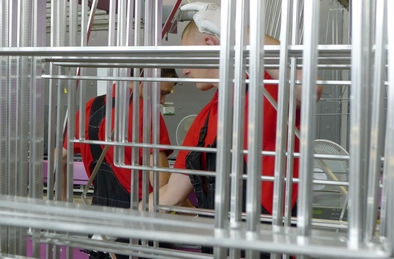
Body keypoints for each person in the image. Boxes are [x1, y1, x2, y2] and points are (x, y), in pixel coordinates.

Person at [145, 0, 322, 239]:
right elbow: (169, 195)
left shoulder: (267, 90)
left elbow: (310, 88)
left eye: (187, 58)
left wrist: (238, 31)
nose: (184, 71)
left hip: (272, 246)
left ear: (210, 43)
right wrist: (121, 226)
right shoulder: (204, 120)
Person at [62, 68, 178, 208]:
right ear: (143, 82)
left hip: (99, 208)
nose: (162, 101)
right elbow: (161, 183)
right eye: (161, 93)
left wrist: (64, 201)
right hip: (140, 209)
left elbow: (60, 157)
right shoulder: (148, 114)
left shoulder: (90, 107)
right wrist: (192, 213)